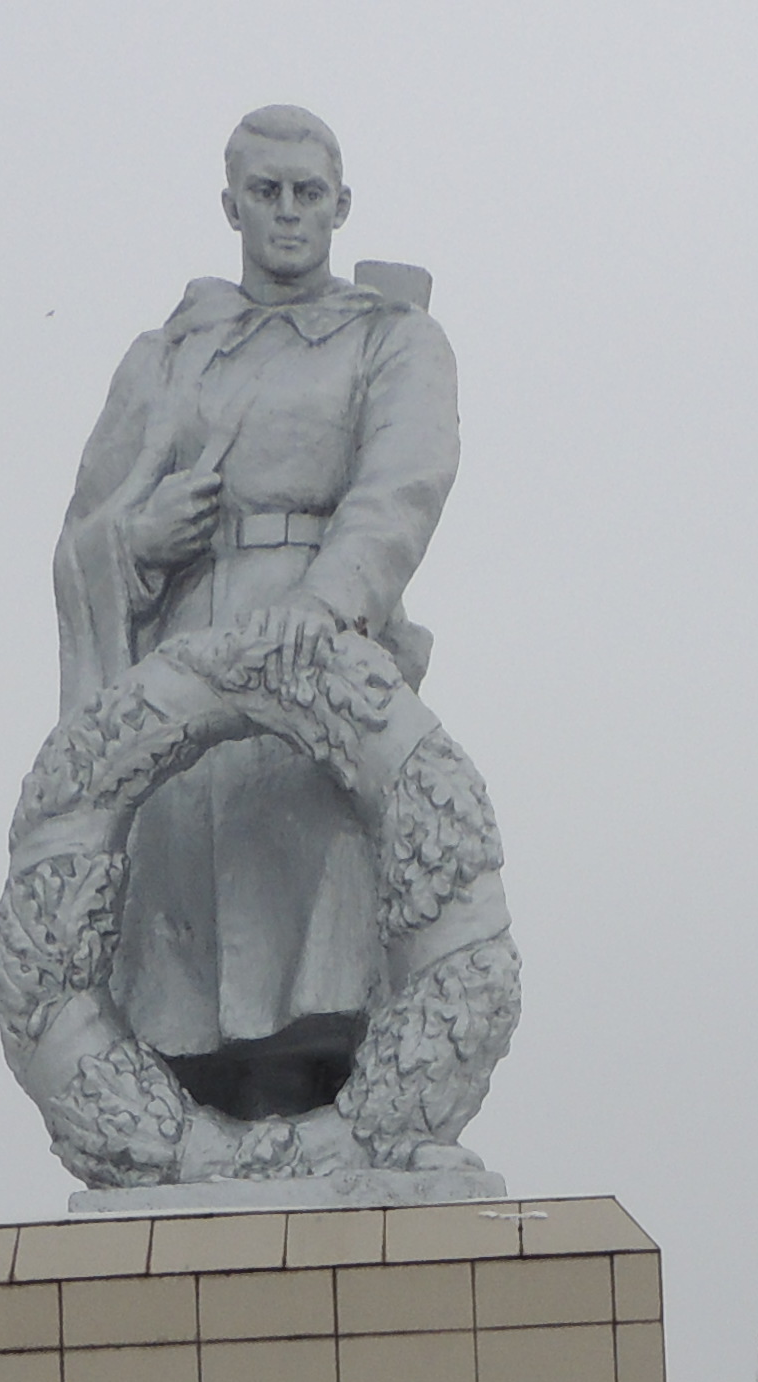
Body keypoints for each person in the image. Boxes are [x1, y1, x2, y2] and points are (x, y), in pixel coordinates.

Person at [54, 105, 462, 1122]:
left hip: (321, 659)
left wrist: (325, 604)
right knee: (185, 915)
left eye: (309, 194)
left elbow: (402, 487)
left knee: (316, 909)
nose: (288, 214)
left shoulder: (391, 339)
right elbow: (85, 529)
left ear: (342, 205)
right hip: (185, 662)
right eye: (266, 193)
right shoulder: (169, 356)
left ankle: (331, 1090)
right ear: (230, 203)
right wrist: (138, 543)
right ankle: (190, 1108)